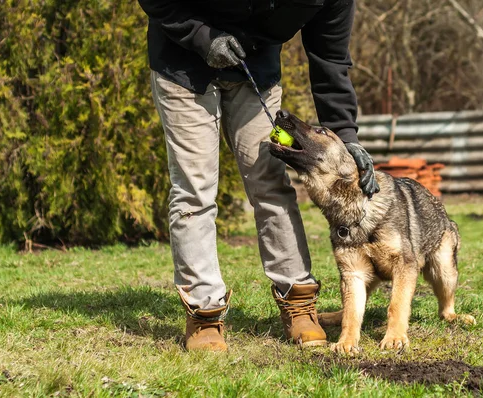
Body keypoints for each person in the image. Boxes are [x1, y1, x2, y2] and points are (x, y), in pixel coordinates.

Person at [138, 0, 380, 352]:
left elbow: (331, 60)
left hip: (257, 68)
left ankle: (297, 300)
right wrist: (203, 37)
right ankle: (204, 313)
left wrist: (346, 136)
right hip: (182, 62)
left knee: (271, 181)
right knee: (195, 189)